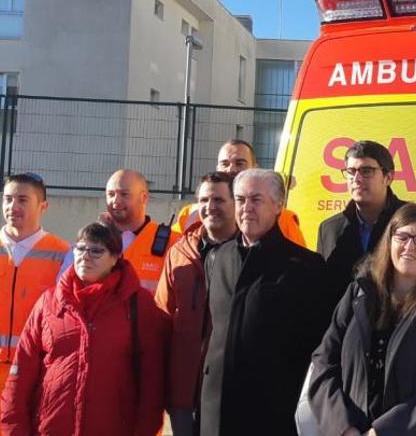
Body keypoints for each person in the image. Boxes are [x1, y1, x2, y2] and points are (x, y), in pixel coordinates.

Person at [309, 203, 416, 436]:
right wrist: (342, 427)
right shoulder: (359, 293)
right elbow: (324, 361)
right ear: (389, 240)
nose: (409, 246)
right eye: (402, 236)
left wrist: (382, 432)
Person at [199, 169, 335, 435]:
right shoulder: (217, 258)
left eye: (256, 199)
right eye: (240, 200)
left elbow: (317, 346)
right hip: (215, 412)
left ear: (278, 206)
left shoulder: (305, 267)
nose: (246, 208)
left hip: (271, 412)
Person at [0, 222, 168, 435]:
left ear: (116, 258)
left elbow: (151, 383)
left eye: (96, 251)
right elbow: (21, 373)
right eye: (80, 248)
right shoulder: (50, 302)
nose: (85, 256)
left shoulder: (137, 304)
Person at [154, 172, 237, 436]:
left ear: (236, 203)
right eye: (203, 199)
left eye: (218, 199)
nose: (210, 206)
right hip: (182, 389)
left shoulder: (248, 252)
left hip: (229, 389)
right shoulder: (179, 253)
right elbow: (161, 318)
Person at [317, 140, 416, 287]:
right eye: (351, 171)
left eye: (366, 171)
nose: (357, 179)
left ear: (388, 177)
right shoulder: (329, 229)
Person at [0, 173, 69, 391]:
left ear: (43, 206)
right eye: (8, 199)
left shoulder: (64, 254)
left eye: (23, 200)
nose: (13, 206)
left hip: (35, 370)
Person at [172, 139, 306, 246]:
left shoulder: (281, 217)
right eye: (225, 163)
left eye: (240, 163)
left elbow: (298, 263)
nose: (231, 169)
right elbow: (174, 258)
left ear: (254, 168)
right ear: (217, 168)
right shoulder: (190, 215)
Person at [104, 169, 180, 291]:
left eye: (124, 194)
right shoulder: (92, 240)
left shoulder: (173, 243)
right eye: (111, 194)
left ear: (144, 198)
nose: (116, 201)